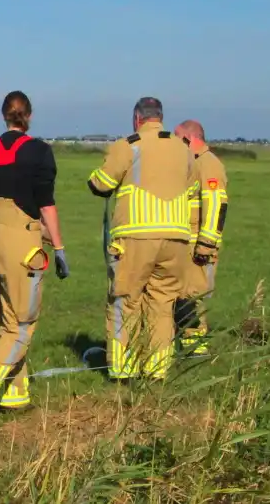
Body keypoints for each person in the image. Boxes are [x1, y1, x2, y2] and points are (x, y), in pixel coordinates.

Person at [0, 91, 69, 424]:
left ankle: (15, 394)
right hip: (24, 244)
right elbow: (46, 205)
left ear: (4, 115)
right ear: (29, 116)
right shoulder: (39, 152)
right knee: (22, 326)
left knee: (6, 321)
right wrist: (59, 248)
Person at [87, 97, 197, 381]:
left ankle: (123, 369)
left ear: (138, 118)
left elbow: (102, 183)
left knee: (125, 300)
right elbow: (189, 182)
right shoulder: (183, 148)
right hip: (176, 237)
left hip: (136, 235)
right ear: (160, 117)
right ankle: (157, 369)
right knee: (162, 304)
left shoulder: (129, 145)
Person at [171, 119, 229, 355]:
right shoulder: (192, 163)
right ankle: (185, 342)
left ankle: (196, 347)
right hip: (184, 242)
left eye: (177, 138)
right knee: (182, 295)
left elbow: (216, 206)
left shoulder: (208, 164)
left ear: (189, 139)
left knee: (192, 296)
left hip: (198, 243)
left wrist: (206, 244)